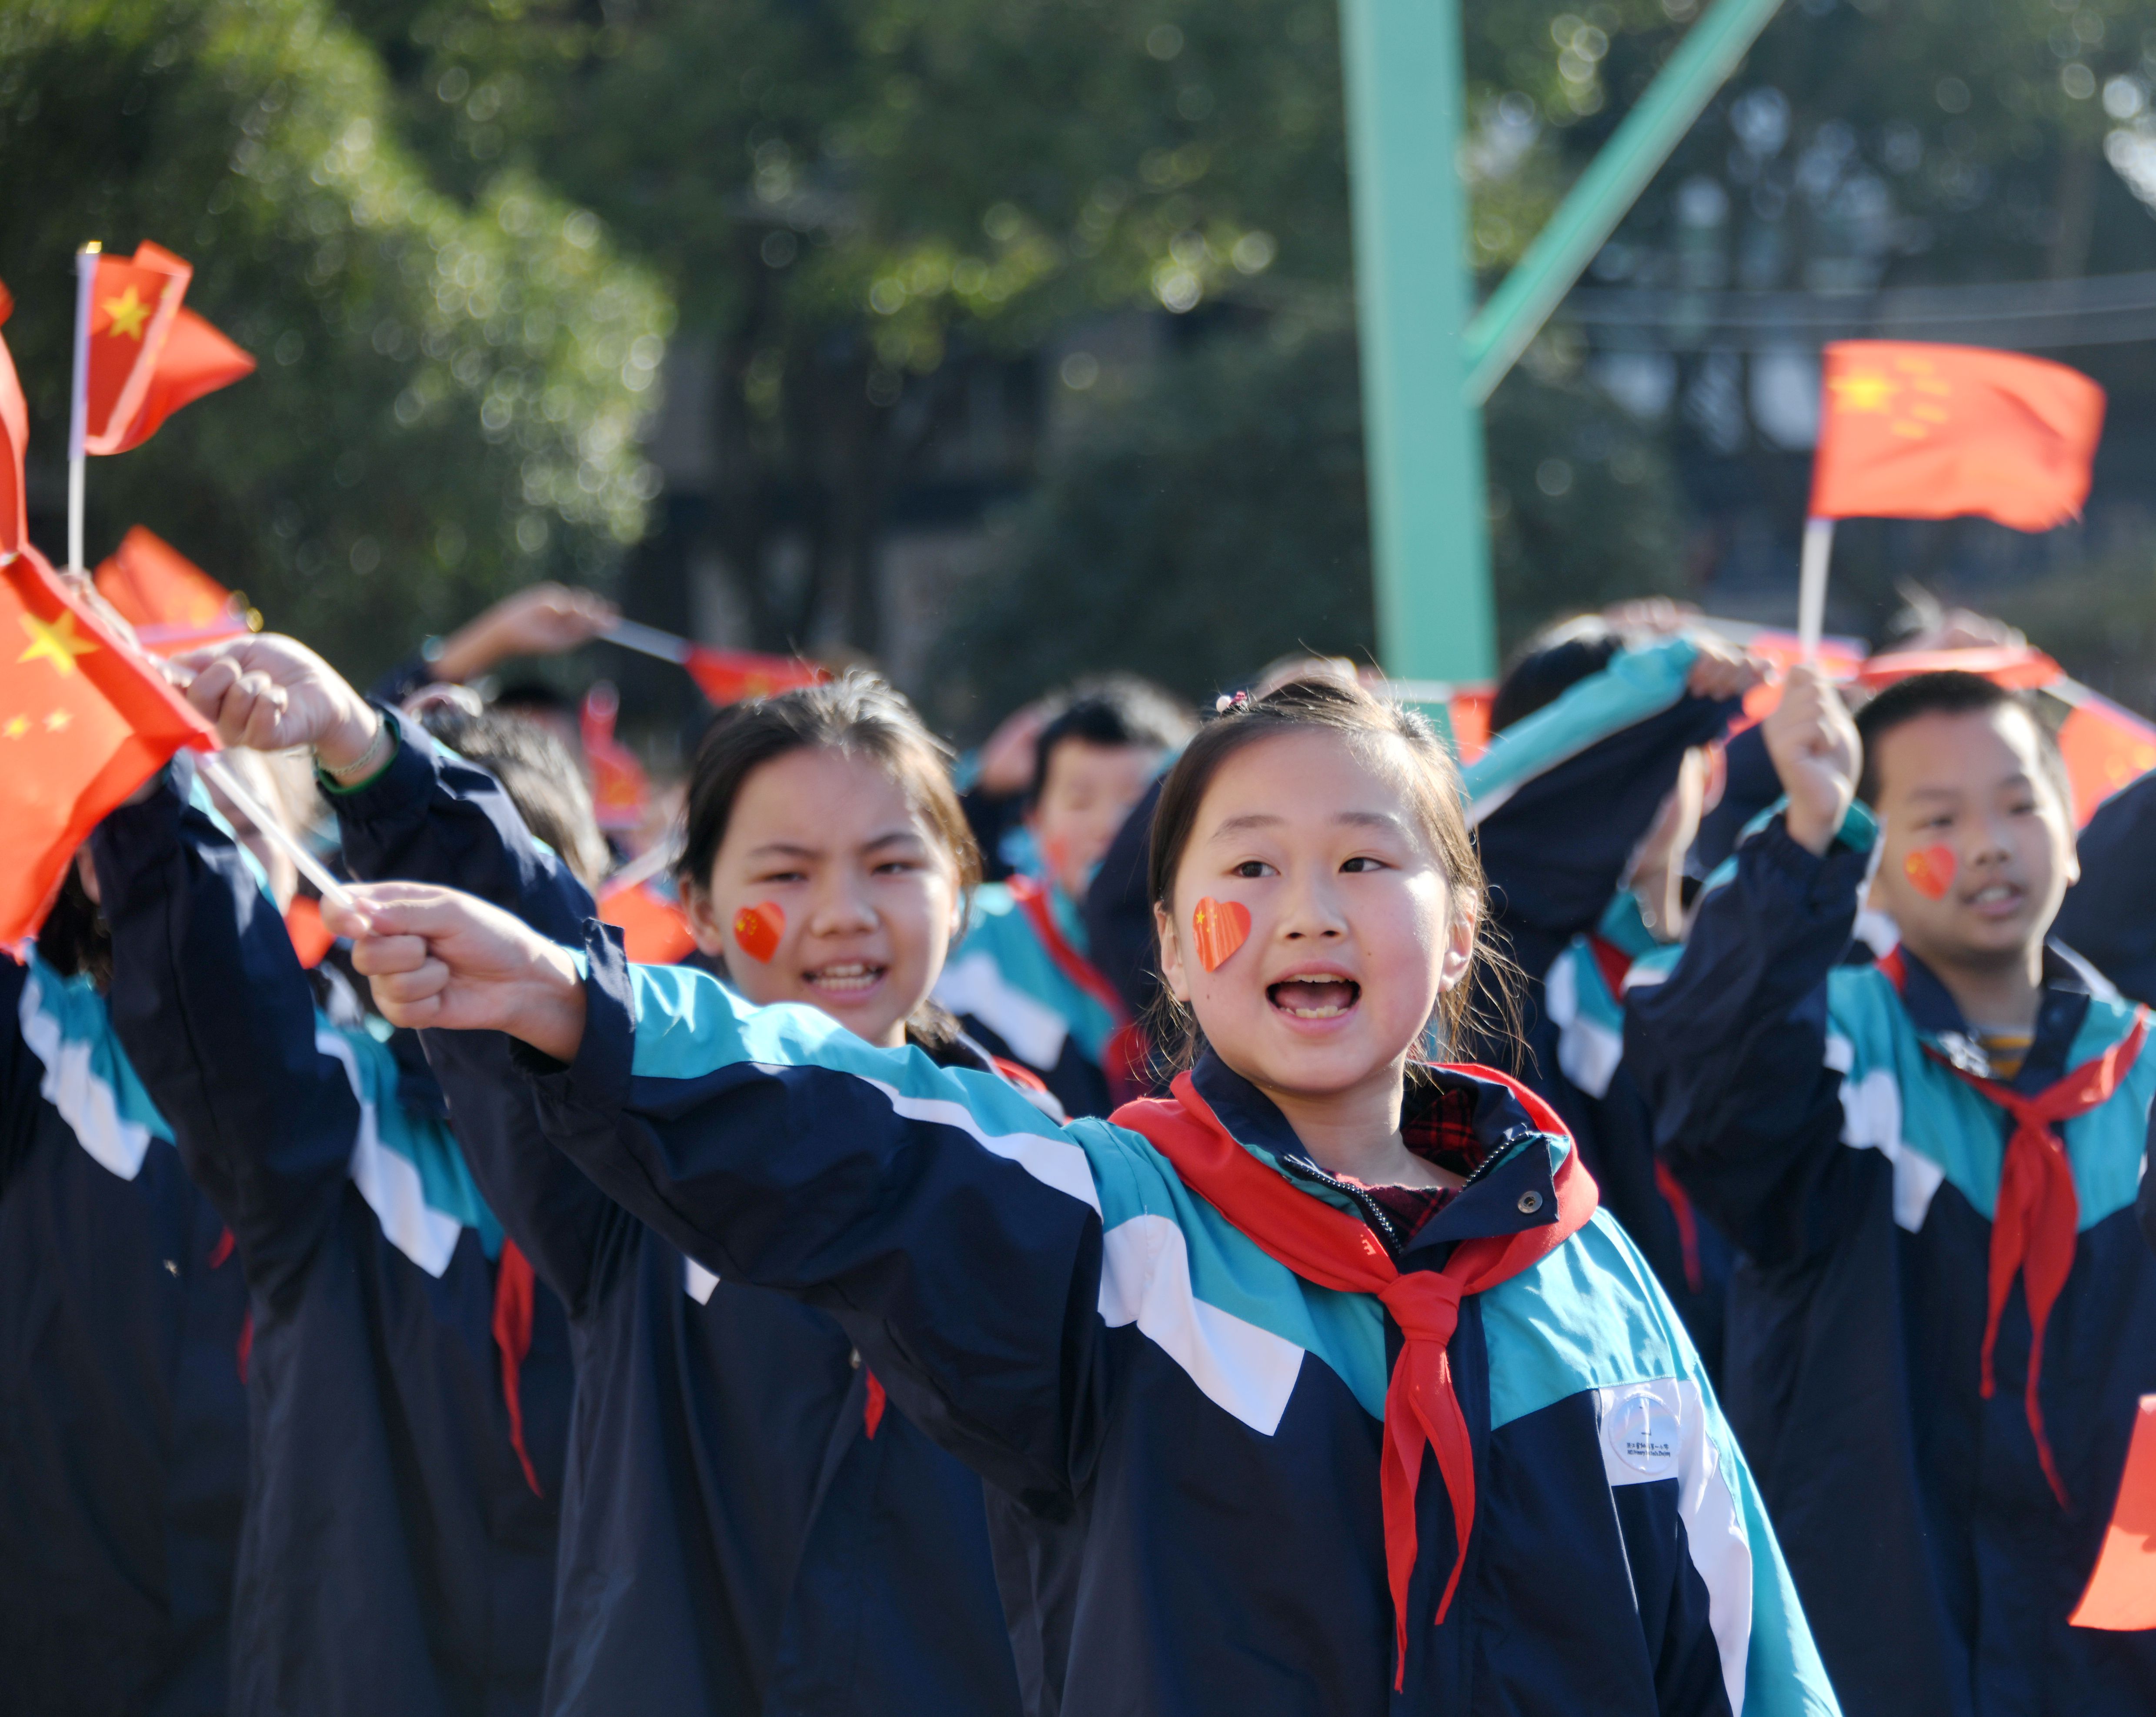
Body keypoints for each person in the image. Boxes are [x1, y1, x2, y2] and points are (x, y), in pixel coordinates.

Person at [332, 678, 1839, 1716]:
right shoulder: (1106, 1228)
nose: (1308, 903)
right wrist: (575, 1000)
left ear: (1455, 933)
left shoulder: (1588, 1283)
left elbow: (1742, 1650)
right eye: (1250, 863)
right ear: (1176, 948)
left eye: (1364, 859)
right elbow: (857, 1134)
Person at [178, 638, 1035, 1717]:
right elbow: (547, 965)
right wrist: (369, 755)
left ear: (962, 882)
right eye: (784, 872)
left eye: (892, 863)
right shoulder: (626, 1157)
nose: (843, 913)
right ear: (702, 907)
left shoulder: (1045, 1172)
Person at [1626, 667, 2156, 1717]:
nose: (1990, 844)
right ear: (1873, 864)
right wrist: (1808, 832)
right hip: (1874, 1648)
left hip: (2113, 1650)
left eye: (2018, 804)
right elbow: (1709, 1097)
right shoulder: (1829, 1045)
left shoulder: (2138, 1077)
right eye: (1938, 817)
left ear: (2070, 821)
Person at [86, 735, 574, 1717]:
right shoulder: (334, 1124)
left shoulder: (672, 1162)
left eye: (499, 895)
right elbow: (215, 983)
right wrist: (143, 775)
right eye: (421, 891)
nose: (467, 936)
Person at [1462, 614, 1762, 1375]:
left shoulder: (1754, 946)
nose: (1618, 802)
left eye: (1650, 760)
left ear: (1711, 769)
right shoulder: (1495, 971)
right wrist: (1655, 684)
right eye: (1595, 776)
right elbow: (1459, 829)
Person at [0, 847, 250, 1717]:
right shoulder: (38, 1028)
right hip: (51, 1620)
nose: (173, 824)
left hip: (255, 1636)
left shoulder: (354, 1076)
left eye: (222, 795)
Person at [936, 678, 1191, 1116]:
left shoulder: (1216, 946)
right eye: (1079, 800)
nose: (1108, 827)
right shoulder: (965, 938)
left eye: (1136, 804)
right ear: (1033, 822)